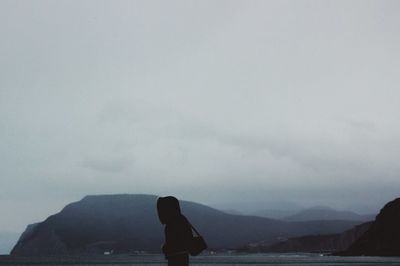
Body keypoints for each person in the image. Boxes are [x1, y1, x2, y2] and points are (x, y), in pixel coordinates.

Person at [157, 196, 193, 266]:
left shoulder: (172, 223)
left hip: (176, 258)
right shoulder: (181, 219)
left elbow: (174, 243)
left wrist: (165, 248)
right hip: (182, 257)